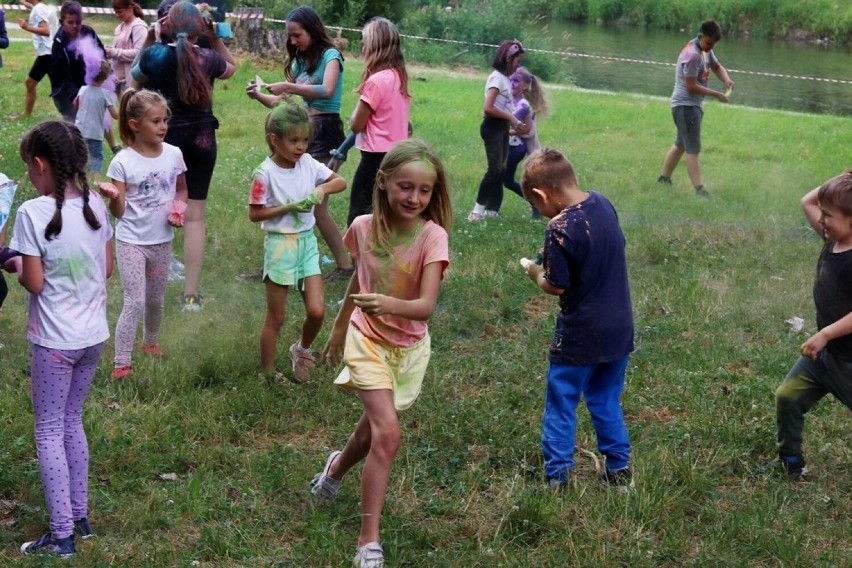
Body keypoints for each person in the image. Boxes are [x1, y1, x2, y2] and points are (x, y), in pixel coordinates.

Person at [312, 139, 452, 568]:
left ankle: (334, 471)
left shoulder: (433, 237)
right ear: (384, 181)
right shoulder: (362, 227)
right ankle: (367, 542)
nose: (414, 198)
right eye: (405, 187)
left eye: (424, 191)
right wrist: (338, 328)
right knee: (388, 434)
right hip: (367, 337)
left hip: (408, 348)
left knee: (373, 431)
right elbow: (360, 280)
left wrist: (388, 304)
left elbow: (425, 306)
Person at [10, 120, 113, 558]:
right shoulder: (97, 206)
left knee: (49, 429)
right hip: (93, 338)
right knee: (72, 421)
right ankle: (81, 517)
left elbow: (33, 283)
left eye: (28, 171)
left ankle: (62, 534)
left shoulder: (31, 214)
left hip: (54, 342)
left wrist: (11, 261)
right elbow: (105, 269)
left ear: (39, 165)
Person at [520, 148, 634, 489]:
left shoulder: (560, 227)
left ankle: (557, 477)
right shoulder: (602, 203)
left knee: (562, 400)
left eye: (536, 205)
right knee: (604, 398)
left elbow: (555, 285)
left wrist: (534, 271)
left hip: (581, 333)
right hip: (619, 328)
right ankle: (619, 471)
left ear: (541, 194)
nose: (540, 213)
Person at [132, 0, 236, 311]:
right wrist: (215, 37)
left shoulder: (155, 54)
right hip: (203, 141)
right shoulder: (208, 57)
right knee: (195, 217)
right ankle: (191, 297)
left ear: (166, 25)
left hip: (164, 142)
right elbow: (231, 67)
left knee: (156, 211)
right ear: (198, 28)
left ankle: (153, 288)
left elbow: (133, 80)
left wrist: (150, 39)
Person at [245, 5, 353, 281]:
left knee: (318, 206)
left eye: (297, 35)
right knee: (288, 197)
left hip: (326, 132)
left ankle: (344, 265)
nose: (293, 41)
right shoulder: (299, 63)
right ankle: (279, 261)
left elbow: (326, 90)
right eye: (290, 37)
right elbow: (285, 104)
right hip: (301, 130)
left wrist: (289, 86)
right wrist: (259, 96)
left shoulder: (331, 56)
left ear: (312, 29)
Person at [249, 102, 346, 382]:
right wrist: (288, 207)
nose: (301, 147)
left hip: (306, 243)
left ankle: (300, 349)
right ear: (274, 140)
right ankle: (267, 373)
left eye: (305, 140)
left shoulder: (308, 164)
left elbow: (339, 182)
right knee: (276, 317)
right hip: (280, 246)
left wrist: (321, 188)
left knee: (317, 311)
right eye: (294, 141)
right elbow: (255, 214)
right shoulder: (264, 173)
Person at [102, 89, 188, 380]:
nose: (163, 126)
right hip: (131, 242)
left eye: (165, 120)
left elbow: (182, 189)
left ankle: (150, 342)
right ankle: (121, 363)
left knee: (156, 299)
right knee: (135, 300)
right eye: (155, 121)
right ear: (135, 125)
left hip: (162, 241)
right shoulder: (123, 162)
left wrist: (179, 208)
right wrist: (114, 196)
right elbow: (119, 211)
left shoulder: (174, 154)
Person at [775, 171, 852, 481]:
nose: (821, 219)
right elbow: (808, 200)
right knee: (788, 396)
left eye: (829, 215)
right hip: (824, 357)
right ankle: (791, 462)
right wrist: (845, 178)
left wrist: (824, 334)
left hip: (848, 360)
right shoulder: (832, 239)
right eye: (822, 214)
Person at [326, 17, 410, 227]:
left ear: (375, 46)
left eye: (365, 41)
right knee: (383, 216)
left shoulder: (376, 81)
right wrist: (342, 150)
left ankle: (357, 260)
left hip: (373, 161)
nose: (362, 47)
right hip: (397, 158)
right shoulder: (398, 77)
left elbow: (356, 125)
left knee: (359, 217)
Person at [657, 19, 733, 197]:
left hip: (689, 106)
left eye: (713, 44)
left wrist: (726, 79)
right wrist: (717, 94)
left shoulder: (704, 48)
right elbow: (691, 86)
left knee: (681, 144)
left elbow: (716, 66)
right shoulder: (692, 55)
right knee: (693, 149)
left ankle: (664, 179)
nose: (710, 47)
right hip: (686, 106)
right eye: (708, 43)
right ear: (700, 37)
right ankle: (699, 190)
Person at [467, 39, 525, 222]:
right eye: (517, 61)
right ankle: (476, 211)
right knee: (494, 170)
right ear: (508, 58)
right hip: (492, 127)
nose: (519, 66)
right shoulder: (496, 78)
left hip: (502, 128)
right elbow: (488, 107)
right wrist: (512, 118)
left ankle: (492, 210)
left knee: (501, 169)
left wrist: (512, 122)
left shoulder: (506, 80)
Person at [502, 65, 548, 218]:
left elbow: (524, 130)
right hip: (510, 146)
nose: (512, 83)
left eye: (516, 81)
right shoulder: (510, 100)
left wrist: (502, 131)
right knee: (504, 179)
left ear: (525, 86)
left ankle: (536, 204)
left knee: (505, 179)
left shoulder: (523, 106)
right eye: (511, 79)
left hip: (517, 148)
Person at [74, 60, 119, 182]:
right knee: (96, 157)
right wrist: (123, 114)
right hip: (95, 133)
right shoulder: (105, 94)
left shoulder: (82, 89)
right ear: (105, 77)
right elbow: (114, 115)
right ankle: (96, 180)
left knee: (80, 155)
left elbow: (75, 105)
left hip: (79, 130)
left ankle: (80, 177)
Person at [15, 0, 58, 118]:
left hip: (48, 54)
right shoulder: (40, 7)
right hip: (49, 53)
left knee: (60, 89)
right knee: (30, 83)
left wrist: (26, 26)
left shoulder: (38, 9)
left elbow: (46, 31)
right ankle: (27, 114)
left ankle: (72, 115)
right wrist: (26, 4)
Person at [105, 0, 148, 96]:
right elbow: (120, 50)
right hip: (118, 81)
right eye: (115, 12)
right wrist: (109, 50)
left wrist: (114, 52)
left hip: (132, 82)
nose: (117, 15)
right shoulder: (119, 28)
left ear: (129, 8)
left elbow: (140, 53)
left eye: (120, 12)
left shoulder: (139, 27)